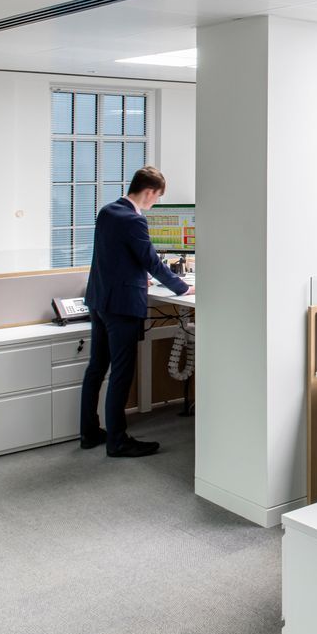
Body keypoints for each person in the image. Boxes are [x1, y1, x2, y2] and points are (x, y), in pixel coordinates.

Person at [81, 166, 191, 457]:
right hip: (121, 307)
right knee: (121, 371)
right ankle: (117, 440)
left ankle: (89, 432)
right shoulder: (133, 220)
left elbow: (114, 256)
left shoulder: (107, 211)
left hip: (99, 300)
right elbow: (151, 261)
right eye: (156, 197)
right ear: (149, 192)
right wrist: (182, 288)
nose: (154, 202)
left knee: (97, 367)